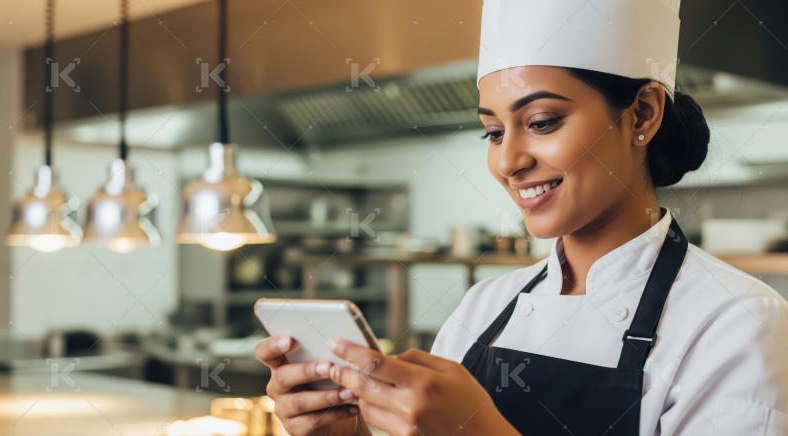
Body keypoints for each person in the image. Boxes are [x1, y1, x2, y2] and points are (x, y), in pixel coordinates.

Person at [256, 1, 788, 434]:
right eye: (493, 132)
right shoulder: (484, 305)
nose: (508, 162)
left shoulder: (737, 322)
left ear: (642, 114)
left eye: (541, 121)